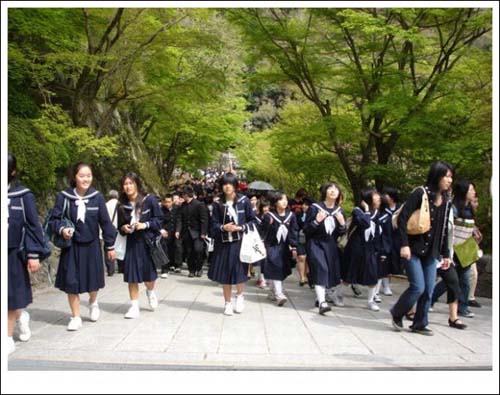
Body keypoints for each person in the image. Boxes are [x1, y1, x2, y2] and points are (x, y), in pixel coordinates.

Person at [390, 161, 454, 336]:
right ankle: (397, 312)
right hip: (413, 248)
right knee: (418, 287)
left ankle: (420, 323)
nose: (449, 180)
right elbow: (402, 218)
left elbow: (444, 229)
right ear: (437, 175)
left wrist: (446, 254)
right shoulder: (420, 193)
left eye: (451, 177)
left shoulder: (447, 201)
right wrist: (404, 245)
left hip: (432, 252)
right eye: (446, 176)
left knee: (429, 289)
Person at [51, 162, 117, 331]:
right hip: (71, 246)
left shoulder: (97, 197)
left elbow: (106, 223)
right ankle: (76, 316)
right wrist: (63, 229)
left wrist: (110, 246)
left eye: (88, 175)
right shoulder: (64, 197)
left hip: (92, 245)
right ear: (75, 177)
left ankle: (93, 302)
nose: (86, 179)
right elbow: (54, 220)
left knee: (92, 279)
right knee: (71, 281)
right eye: (82, 176)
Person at [7, 153, 43, 354]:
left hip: (14, 253)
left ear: (12, 171)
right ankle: (21, 316)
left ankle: (7, 337)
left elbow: (32, 226)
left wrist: (34, 254)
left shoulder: (23, 195)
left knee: (11, 295)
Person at [208, 172, 257, 316]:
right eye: (224, 184)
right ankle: (227, 303)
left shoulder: (244, 201)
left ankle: (240, 296)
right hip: (223, 244)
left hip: (240, 242)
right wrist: (223, 228)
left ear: (235, 185)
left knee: (240, 272)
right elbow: (213, 225)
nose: (227, 187)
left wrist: (240, 227)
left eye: (230, 184)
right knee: (225, 274)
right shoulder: (217, 203)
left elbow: (253, 221)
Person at [117, 172, 163, 319]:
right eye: (125, 184)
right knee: (132, 277)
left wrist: (145, 224)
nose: (128, 186)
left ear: (137, 184)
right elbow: (119, 226)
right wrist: (124, 228)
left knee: (149, 277)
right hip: (131, 244)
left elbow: (159, 220)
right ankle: (134, 306)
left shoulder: (149, 200)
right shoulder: (122, 205)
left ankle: (150, 292)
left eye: (131, 183)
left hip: (146, 243)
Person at [303, 182, 346, 315]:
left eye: (336, 189)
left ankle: (320, 297)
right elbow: (306, 230)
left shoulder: (340, 211)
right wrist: (317, 221)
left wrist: (342, 224)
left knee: (328, 272)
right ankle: (322, 302)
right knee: (321, 269)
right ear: (325, 192)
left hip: (331, 245)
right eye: (330, 189)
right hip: (315, 243)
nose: (333, 191)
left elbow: (341, 233)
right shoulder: (315, 208)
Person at [344, 189, 383, 311]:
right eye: (375, 196)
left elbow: (377, 232)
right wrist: (366, 210)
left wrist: (379, 250)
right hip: (356, 247)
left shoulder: (376, 213)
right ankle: (336, 294)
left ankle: (370, 301)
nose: (378, 198)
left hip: (369, 248)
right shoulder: (357, 211)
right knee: (349, 274)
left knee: (372, 274)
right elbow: (365, 223)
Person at [261, 191, 299, 306]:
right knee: (276, 268)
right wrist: (268, 224)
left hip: (285, 248)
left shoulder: (291, 216)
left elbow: (293, 232)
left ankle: (273, 290)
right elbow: (262, 231)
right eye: (281, 200)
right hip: (272, 246)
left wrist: (294, 247)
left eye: (286, 200)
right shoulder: (269, 216)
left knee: (282, 270)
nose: (284, 202)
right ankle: (279, 294)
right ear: (275, 202)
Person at [177, 186, 209, 277]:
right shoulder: (182, 206)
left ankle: (199, 268)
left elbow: (204, 219)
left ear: (187, 195)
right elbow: (180, 219)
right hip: (186, 232)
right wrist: (178, 230)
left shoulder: (199, 205)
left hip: (197, 232)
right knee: (189, 252)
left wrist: (203, 232)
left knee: (198, 250)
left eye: (183, 194)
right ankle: (191, 269)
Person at [160, 194, 182, 277]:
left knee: (177, 248)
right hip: (166, 232)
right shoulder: (161, 210)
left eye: (169, 202)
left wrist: (178, 230)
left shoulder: (177, 208)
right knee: (165, 250)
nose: (167, 203)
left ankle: (177, 264)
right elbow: (159, 221)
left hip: (175, 232)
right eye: (166, 202)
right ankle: (164, 269)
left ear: (172, 201)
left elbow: (179, 220)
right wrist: (161, 230)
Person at [296, 197, 313, 287]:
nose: (304, 206)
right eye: (303, 204)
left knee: (309, 259)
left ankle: (308, 276)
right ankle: (302, 277)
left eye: (306, 205)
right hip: (300, 238)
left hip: (310, 239)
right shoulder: (298, 214)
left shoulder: (314, 215)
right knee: (302, 257)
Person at [104, 189, 120, 276]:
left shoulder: (105, 205)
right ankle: (122, 267)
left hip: (108, 229)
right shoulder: (120, 204)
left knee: (108, 248)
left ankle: (110, 269)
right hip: (119, 229)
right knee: (119, 247)